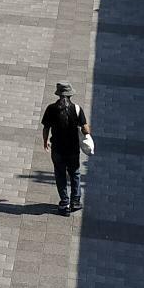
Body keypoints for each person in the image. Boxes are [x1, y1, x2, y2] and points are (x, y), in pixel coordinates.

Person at [40, 81, 90, 214]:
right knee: (75, 173)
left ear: (58, 95)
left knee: (60, 174)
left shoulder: (51, 108)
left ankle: (64, 203)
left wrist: (45, 142)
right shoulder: (77, 109)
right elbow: (86, 130)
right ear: (70, 95)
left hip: (57, 149)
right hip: (73, 150)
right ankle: (75, 201)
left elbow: (46, 128)